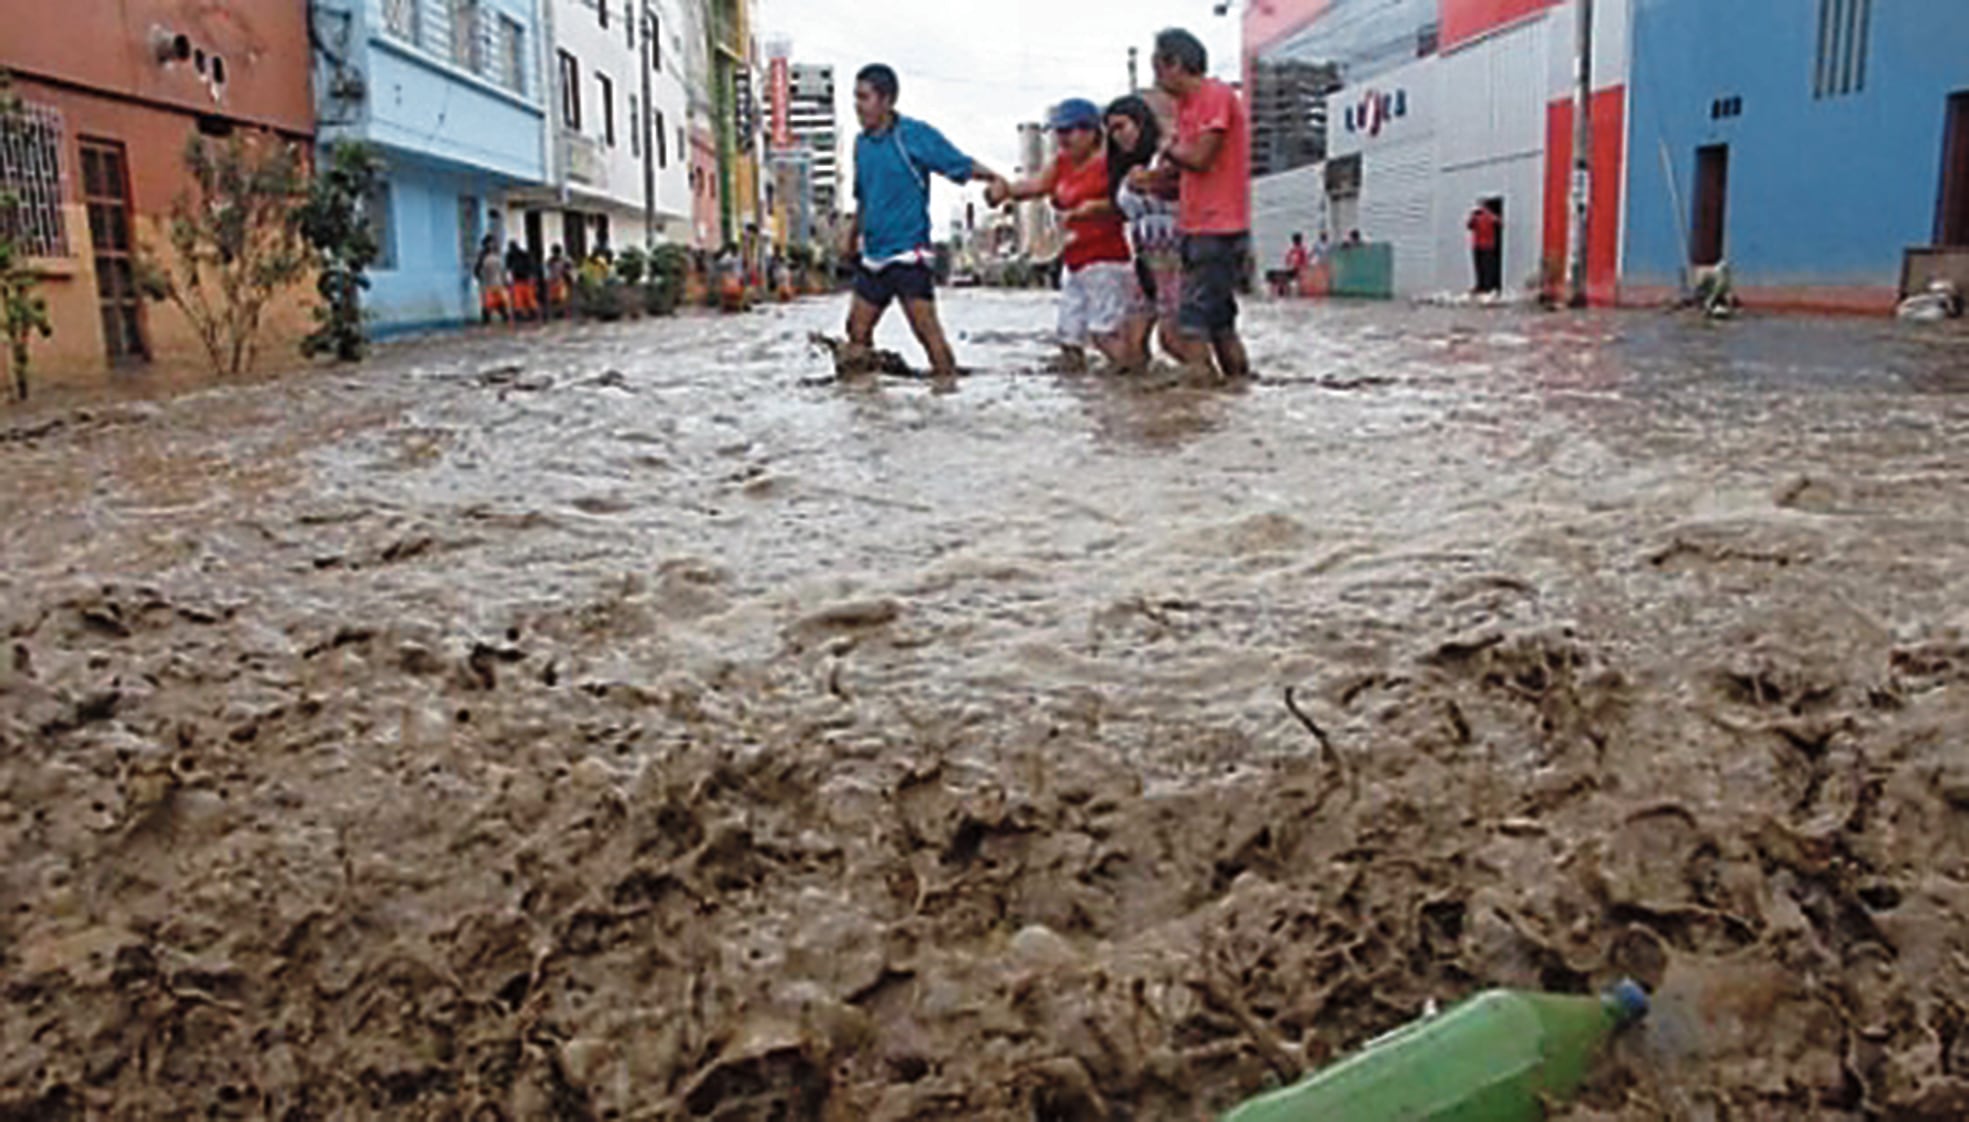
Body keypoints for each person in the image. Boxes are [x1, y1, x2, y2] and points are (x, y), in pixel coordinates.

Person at [842, 63, 1006, 379]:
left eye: (864, 98)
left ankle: (947, 390)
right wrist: (850, 240)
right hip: (874, 255)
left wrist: (993, 177)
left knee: (926, 332)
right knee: (856, 331)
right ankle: (868, 405)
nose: (857, 106)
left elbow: (956, 162)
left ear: (886, 101)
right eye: (855, 98)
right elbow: (863, 197)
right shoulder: (861, 145)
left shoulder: (913, 136)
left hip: (908, 253)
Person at [988, 98, 1144, 373]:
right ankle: (1079, 398)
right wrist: (1006, 190)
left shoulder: (1110, 164)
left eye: (1068, 131)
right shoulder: (1061, 164)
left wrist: (1092, 209)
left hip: (1106, 261)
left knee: (1104, 334)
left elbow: (1126, 204)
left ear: (1092, 132)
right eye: (1057, 132)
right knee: (1068, 337)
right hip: (1074, 262)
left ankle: (1134, 383)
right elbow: (1036, 185)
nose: (1062, 139)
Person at [1135, 28, 1252, 380]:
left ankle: (1200, 403)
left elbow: (1200, 157)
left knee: (1192, 325)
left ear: (1175, 63)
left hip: (1216, 227)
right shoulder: (1187, 107)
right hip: (1201, 225)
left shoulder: (1214, 96)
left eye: (1157, 66)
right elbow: (1188, 174)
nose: (1155, 76)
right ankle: (1236, 393)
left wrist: (1166, 146)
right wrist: (1150, 181)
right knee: (1219, 323)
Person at [1106, 92, 1183, 365]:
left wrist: (1150, 179)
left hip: (1177, 256)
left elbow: (1182, 184)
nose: (1117, 135)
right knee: (1131, 344)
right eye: (1111, 129)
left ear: (1141, 123)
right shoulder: (1121, 168)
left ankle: (1212, 390)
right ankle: (1147, 403)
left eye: (1121, 126)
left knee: (1173, 339)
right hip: (1143, 259)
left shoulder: (1165, 154)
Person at [1467, 201, 1502, 296]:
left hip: (1478, 245)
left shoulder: (1477, 217)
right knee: (1487, 267)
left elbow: (1469, 226)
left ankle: (1482, 286)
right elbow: (1499, 223)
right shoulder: (1491, 216)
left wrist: (1473, 216)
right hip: (1488, 246)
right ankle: (1486, 287)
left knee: (1480, 267)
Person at [473, 235, 510, 325]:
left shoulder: (487, 257)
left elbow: (477, 271)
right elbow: (502, 271)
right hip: (492, 284)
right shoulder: (489, 257)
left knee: (494, 304)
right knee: (494, 304)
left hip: (491, 284)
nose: (492, 244)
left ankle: (490, 320)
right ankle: (497, 318)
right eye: (491, 242)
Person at [505, 240, 540, 321]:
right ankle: (532, 315)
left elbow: (508, 268)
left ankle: (527, 315)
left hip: (521, 280)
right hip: (524, 280)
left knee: (521, 300)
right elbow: (532, 266)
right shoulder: (523, 255)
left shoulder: (511, 256)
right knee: (528, 299)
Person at [545, 244, 573, 318]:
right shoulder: (564, 260)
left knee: (558, 299)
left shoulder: (551, 260)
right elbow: (569, 270)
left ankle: (559, 313)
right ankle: (561, 313)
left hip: (556, 281)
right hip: (559, 281)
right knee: (560, 298)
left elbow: (548, 271)